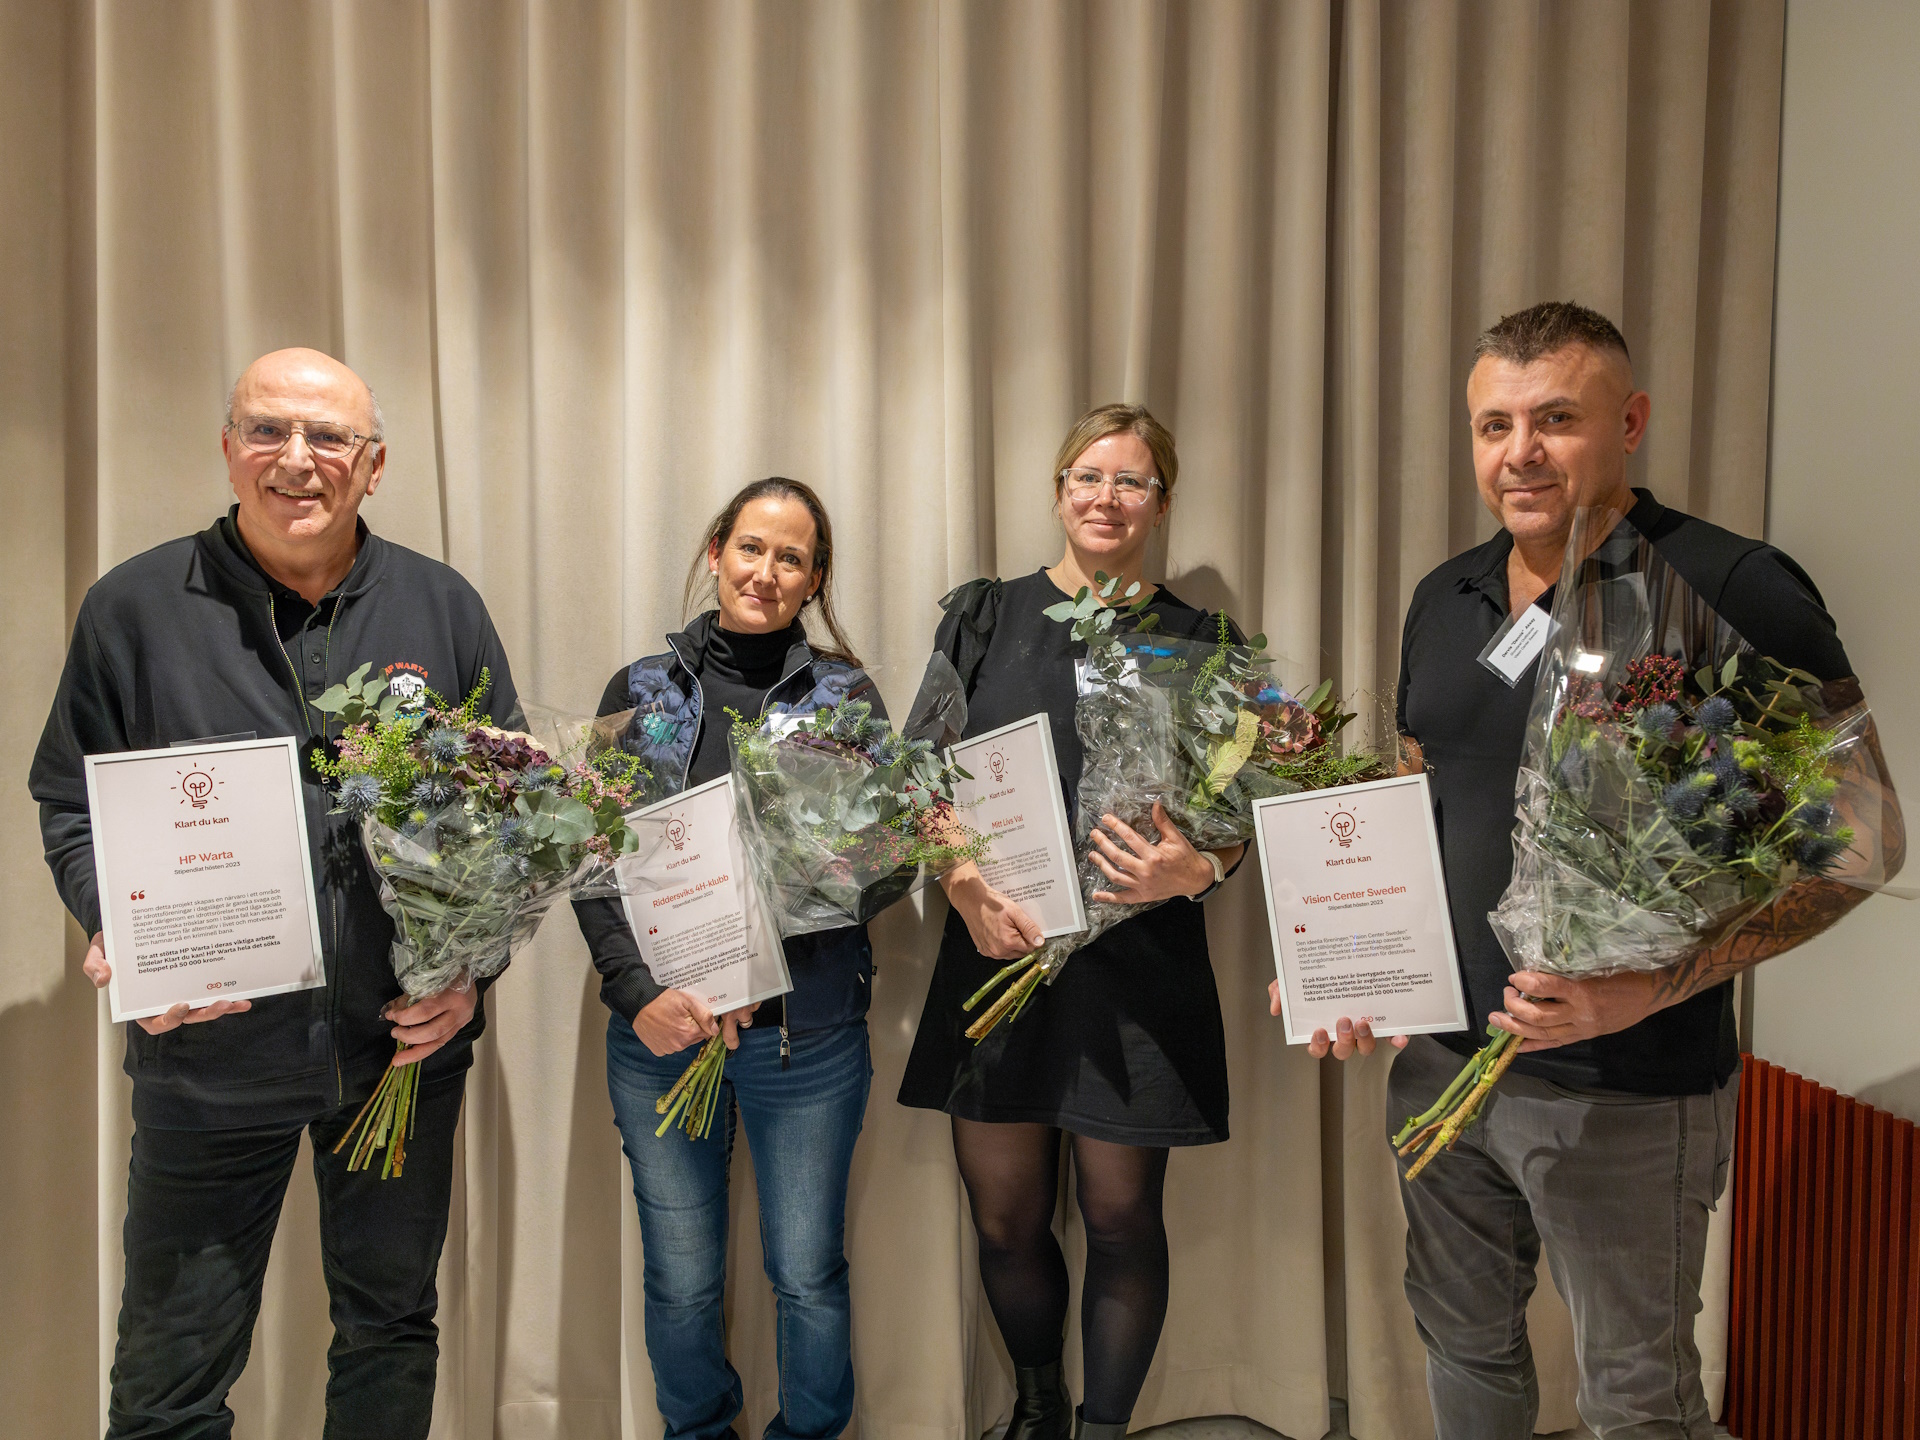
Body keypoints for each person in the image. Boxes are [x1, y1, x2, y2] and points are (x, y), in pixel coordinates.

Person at [1292, 300, 1904, 1439]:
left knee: (1637, 1401)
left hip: (1633, 1088)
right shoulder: (1447, 596)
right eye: (1493, 425)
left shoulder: (1734, 587)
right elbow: (1421, 800)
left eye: (1556, 418)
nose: (1518, 452)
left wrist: (1651, 988)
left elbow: (1867, 840)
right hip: (1441, 1065)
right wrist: (1346, 962)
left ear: (1630, 422)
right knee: (1463, 1351)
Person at [30, 348, 521, 1439]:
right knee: (170, 1381)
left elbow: (510, 814)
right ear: (227, 447)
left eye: (329, 437)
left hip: (397, 1051)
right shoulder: (137, 608)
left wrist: (473, 976)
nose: (297, 459)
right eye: (267, 430)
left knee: (391, 1331)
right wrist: (120, 925)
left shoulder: (442, 607)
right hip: (209, 1059)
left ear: (375, 464)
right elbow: (72, 801)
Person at [898, 404, 1248, 1440]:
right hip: (995, 950)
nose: (1107, 498)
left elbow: (1232, 813)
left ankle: (1103, 1431)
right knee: (1006, 1220)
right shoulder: (984, 616)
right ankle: (1040, 1411)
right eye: (1089, 476)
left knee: (1122, 1218)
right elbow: (921, 773)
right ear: (1058, 490)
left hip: (1138, 975)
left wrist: (1200, 867)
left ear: (1162, 503)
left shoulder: (1202, 641)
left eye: (1132, 481)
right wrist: (964, 889)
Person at [572, 478, 880, 1440]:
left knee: (807, 1274)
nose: (766, 572)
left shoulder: (845, 694)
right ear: (715, 552)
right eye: (751, 548)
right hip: (659, 1038)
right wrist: (636, 992)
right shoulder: (640, 690)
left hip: (806, 1042)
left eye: (792, 557)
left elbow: (886, 861)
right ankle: (695, 1430)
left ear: (815, 577)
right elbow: (588, 855)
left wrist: (770, 945)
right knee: (681, 1278)